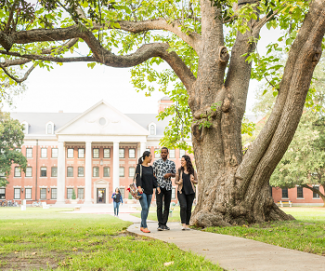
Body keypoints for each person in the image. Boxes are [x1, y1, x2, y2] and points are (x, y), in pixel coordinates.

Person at [153, 147, 176, 231]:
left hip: (168, 187)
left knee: (167, 206)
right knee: (159, 206)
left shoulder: (172, 163)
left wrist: (170, 174)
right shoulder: (156, 163)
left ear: (167, 153)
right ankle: (160, 224)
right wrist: (156, 185)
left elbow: (175, 174)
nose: (163, 154)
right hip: (159, 187)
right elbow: (153, 174)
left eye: (164, 152)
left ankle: (164, 224)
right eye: (162, 152)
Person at [136, 151, 158, 233]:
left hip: (149, 190)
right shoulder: (139, 167)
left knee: (146, 209)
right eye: (150, 156)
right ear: (145, 157)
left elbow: (153, 179)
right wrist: (139, 187)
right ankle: (145, 226)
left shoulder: (151, 168)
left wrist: (157, 187)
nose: (151, 158)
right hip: (142, 191)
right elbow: (138, 177)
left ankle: (142, 225)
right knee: (144, 207)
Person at [175, 155, 198, 230]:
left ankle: (187, 224)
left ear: (187, 161)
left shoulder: (192, 170)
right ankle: (183, 224)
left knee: (188, 208)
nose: (181, 162)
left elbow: (196, 181)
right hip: (181, 191)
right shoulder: (179, 170)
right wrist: (179, 182)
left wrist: (193, 180)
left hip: (191, 192)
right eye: (181, 160)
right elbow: (176, 181)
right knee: (183, 206)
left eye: (183, 160)